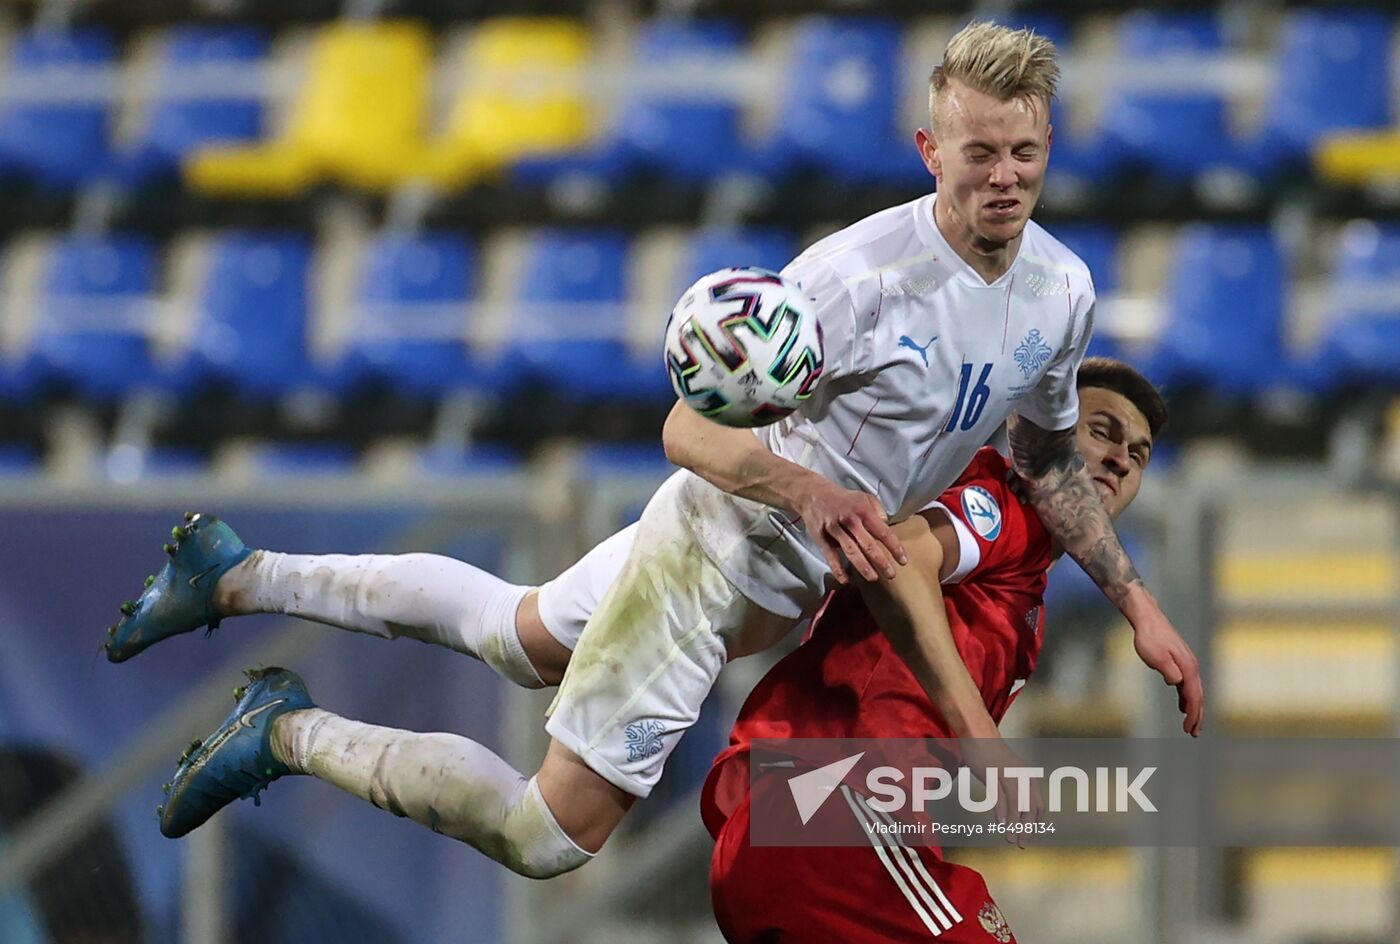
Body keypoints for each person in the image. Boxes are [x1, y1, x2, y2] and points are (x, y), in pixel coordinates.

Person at [106, 23, 1201, 879]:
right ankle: (284, 730)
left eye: (1022, 151)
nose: (1001, 176)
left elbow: (1049, 458)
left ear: (1048, 144)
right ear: (929, 150)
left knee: (515, 629)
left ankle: (236, 575)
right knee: (551, 835)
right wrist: (806, 488)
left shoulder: (1060, 289)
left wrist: (1138, 602)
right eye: (976, 154)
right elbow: (686, 427)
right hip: (717, 553)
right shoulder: (850, 284)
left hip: (780, 581)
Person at [706, 357, 1168, 942]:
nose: (1121, 458)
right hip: (825, 814)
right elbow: (897, 560)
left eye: (1140, 452)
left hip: (802, 831)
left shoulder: (1026, 589)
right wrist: (981, 736)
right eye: (1101, 430)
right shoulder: (1001, 505)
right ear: (1042, 430)